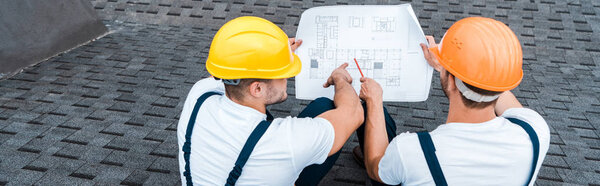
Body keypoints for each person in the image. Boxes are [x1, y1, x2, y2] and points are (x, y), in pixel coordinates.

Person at [356, 17, 550, 185]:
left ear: (451, 81)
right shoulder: (535, 131)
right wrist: (450, 67)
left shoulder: (413, 152)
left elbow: (375, 166)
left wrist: (374, 100)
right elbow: (493, 84)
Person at [176, 16, 364, 186]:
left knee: (322, 106)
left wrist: (275, 55)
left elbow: (223, 69)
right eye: (282, 74)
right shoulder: (284, 141)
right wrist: (340, 78)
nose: (287, 78)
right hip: (272, 153)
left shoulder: (199, 95)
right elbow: (354, 112)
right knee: (327, 108)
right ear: (257, 88)